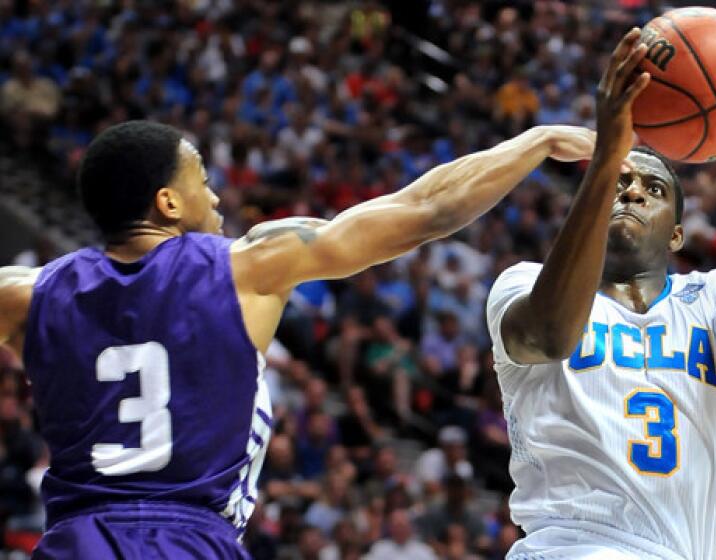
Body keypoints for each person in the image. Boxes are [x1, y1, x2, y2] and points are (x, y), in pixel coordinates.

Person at [0, 110, 597, 557]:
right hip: (187, 539)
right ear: (168, 203)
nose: (213, 194)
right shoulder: (248, 266)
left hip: (73, 541)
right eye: (200, 179)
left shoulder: (25, 295)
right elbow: (425, 210)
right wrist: (534, 142)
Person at [486, 28, 716, 560]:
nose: (632, 191)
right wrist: (606, 157)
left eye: (654, 191)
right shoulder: (520, 283)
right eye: (622, 182)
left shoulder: (711, 294)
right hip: (567, 548)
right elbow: (551, 335)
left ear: (676, 234)